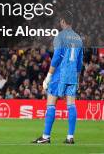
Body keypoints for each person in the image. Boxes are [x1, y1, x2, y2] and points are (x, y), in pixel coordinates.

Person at [33, 14, 83, 144]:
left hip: (60, 74)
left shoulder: (60, 36)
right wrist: (77, 78)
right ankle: (70, 137)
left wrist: (48, 77)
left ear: (63, 21)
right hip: (72, 75)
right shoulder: (78, 38)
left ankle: (46, 136)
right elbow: (79, 62)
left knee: (51, 103)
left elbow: (56, 58)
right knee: (71, 105)